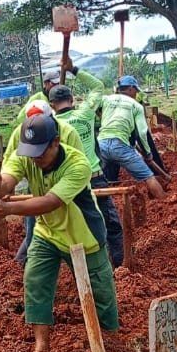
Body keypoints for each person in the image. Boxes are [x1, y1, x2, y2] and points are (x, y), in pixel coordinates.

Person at [0, 113, 118, 352]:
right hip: (47, 233)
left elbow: (50, 202)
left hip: (83, 236)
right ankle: (41, 346)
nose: (35, 158)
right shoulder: (28, 156)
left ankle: (110, 341)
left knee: (101, 292)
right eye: (31, 152)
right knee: (35, 281)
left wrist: (8, 209)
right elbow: (8, 182)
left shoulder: (78, 164)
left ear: (55, 142)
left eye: (41, 152)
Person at [5, 102, 89, 266]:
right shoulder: (21, 133)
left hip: (68, 197)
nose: (35, 157)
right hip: (38, 190)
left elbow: (55, 197)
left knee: (78, 251)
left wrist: (8, 208)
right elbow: (9, 169)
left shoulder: (68, 133)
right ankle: (24, 263)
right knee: (33, 232)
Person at [49, 85, 123, 268]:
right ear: (72, 99)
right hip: (94, 178)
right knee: (110, 225)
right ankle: (119, 267)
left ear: (52, 105)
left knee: (76, 228)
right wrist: (73, 69)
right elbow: (97, 85)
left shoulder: (52, 126)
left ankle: (86, 270)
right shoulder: (85, 114)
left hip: (69, 184)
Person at [97, 76, 168, 199]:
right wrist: (148, 153)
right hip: (120, 146)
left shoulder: (106, 99)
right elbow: (142, 133)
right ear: (130, 89)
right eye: (136, 90)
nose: (136, 94)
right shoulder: (136, 106)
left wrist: (102, 117)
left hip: (100, 145)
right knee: (148, 177)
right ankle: (165, 202)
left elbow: (94, 109)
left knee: (98, 180)